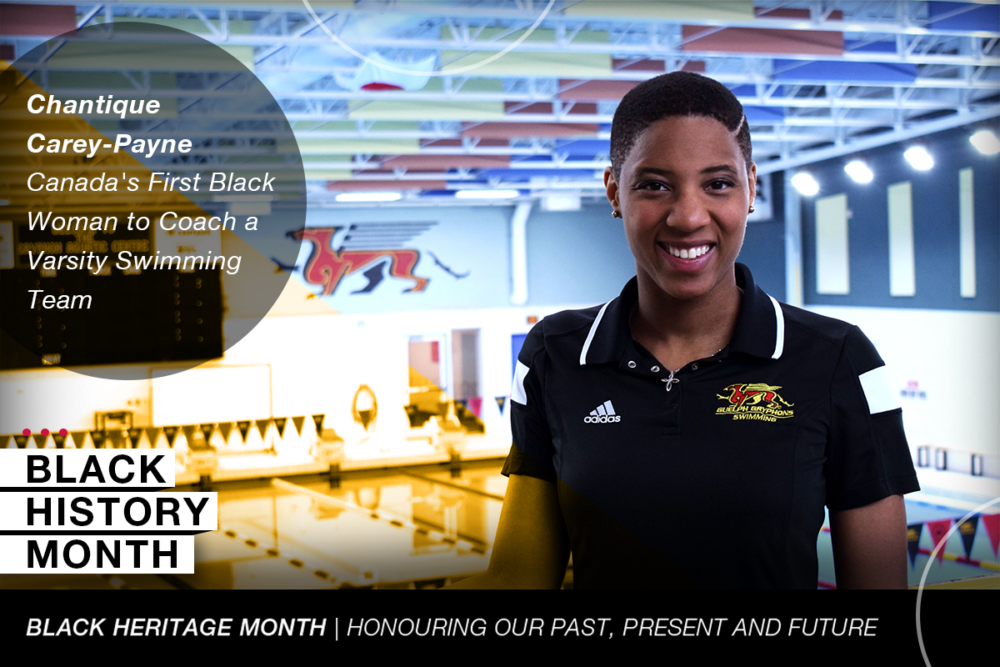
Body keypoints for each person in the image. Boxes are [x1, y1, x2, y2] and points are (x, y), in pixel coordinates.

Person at [451, 71, 919, 589]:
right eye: (655, 185)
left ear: (750, 189)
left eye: (718, 183)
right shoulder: (556, 354)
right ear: (614, 191)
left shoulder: (838, 359)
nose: (688, 216)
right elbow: (520, 578)